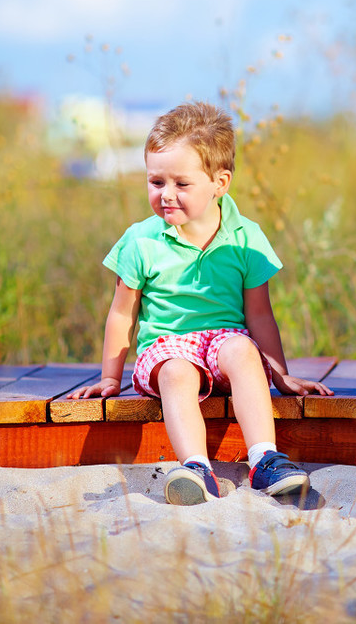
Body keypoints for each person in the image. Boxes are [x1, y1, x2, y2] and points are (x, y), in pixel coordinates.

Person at [69, 101, 332, 505]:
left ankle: (265, 460)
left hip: (225, 340)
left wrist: (281, 374)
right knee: (177, 373)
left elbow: (260, 314)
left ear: (220, 183)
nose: (166, 195)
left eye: (181, 184)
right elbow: (123, 313)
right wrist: (109, 378)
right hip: (166, 346)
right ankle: (196, 468)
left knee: (244, 349)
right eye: (156, 183)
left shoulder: (246, 236)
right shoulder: (141, 241)